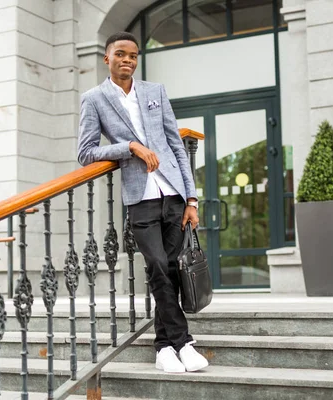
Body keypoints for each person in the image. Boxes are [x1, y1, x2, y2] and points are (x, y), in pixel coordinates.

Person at [77, 31, 209, 373]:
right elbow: (86, 152)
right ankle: (184, 342)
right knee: (156, 268)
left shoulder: (155, 92)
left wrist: (192, 198)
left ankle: (164, 347)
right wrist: (130, 148)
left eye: (133, 55)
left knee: (172, 271)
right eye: (120, 54)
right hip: (140, 197)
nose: (127, 60)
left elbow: (175, 145)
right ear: (107, 58)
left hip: (174, 195)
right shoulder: (94, 98)